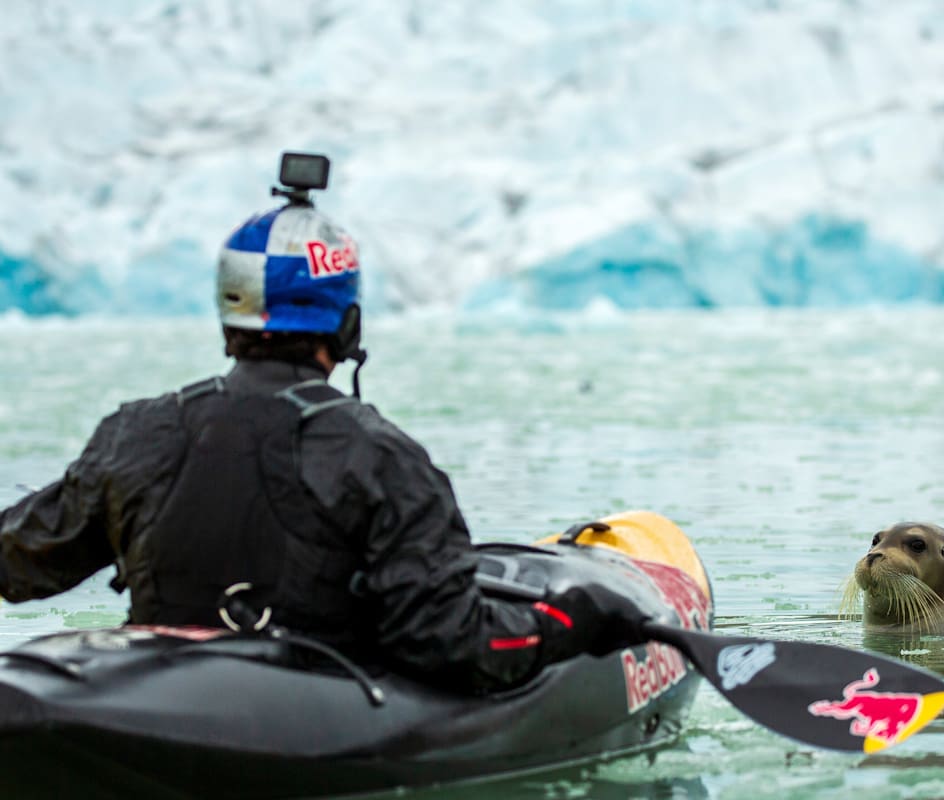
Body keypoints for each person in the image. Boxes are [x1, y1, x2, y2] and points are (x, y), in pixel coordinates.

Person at [0, 153, 647, 691]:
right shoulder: (379, 455)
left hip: (151, 700)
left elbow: (22, 563)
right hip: (304, 716)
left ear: (231, 320)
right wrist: (567, 625)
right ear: (345, 325)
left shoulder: (135, 432)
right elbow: (444, 641)